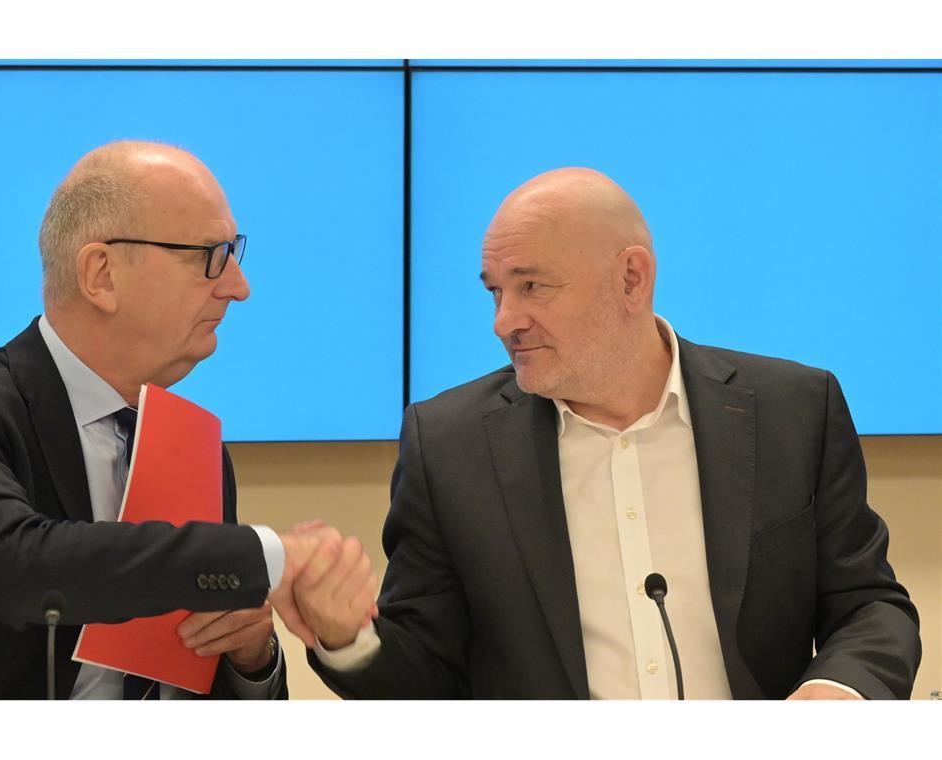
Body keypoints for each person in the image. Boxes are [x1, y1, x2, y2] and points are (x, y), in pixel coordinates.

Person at [302, 167, 922, 699]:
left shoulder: (793, 410)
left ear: (631, 278)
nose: (504, 321)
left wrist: (835, 692)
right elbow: (426, 676)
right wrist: (345, 637)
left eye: (531, 287)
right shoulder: (448, 444)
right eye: (495, 292)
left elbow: (870, 605)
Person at [0, 140, 376, 699]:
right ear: (101, 275)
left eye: (235, 254)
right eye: (210, 254)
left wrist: (251, 655)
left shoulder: (195, 450)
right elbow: (18, 567)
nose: (238, 286)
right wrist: (269, 556)